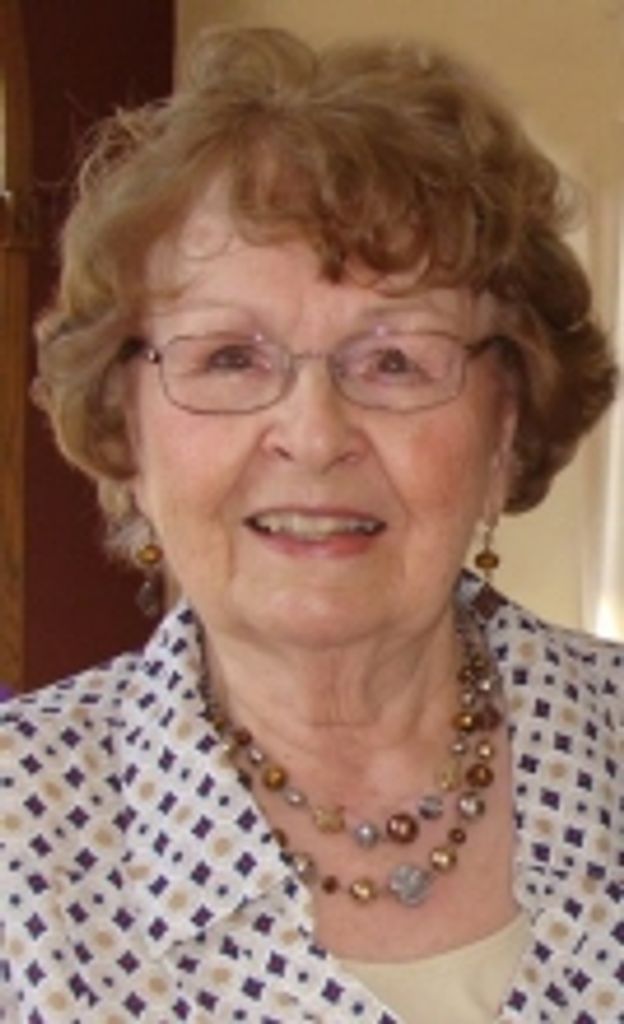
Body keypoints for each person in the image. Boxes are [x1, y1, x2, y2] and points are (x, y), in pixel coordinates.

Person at [1, 25, 621, 1024]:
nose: (316, 435)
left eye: (395, 361)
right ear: (128, 430)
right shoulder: (19, 839)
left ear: (506, 426)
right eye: (230, 358)